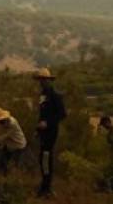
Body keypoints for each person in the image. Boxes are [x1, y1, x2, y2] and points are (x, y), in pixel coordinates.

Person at [33, 68, 66, 199]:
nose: (41, 82)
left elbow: (62, 114)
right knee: (43, 159)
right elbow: (42, 115)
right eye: (40, 80)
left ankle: (46, 187)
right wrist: (38, 129)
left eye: (44, 80)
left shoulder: (55, 95)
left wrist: (48, 123)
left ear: (49, 80)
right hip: (43, 132)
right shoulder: (42, 95)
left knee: (46, 158)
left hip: (51, 132)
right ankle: (45, 185)